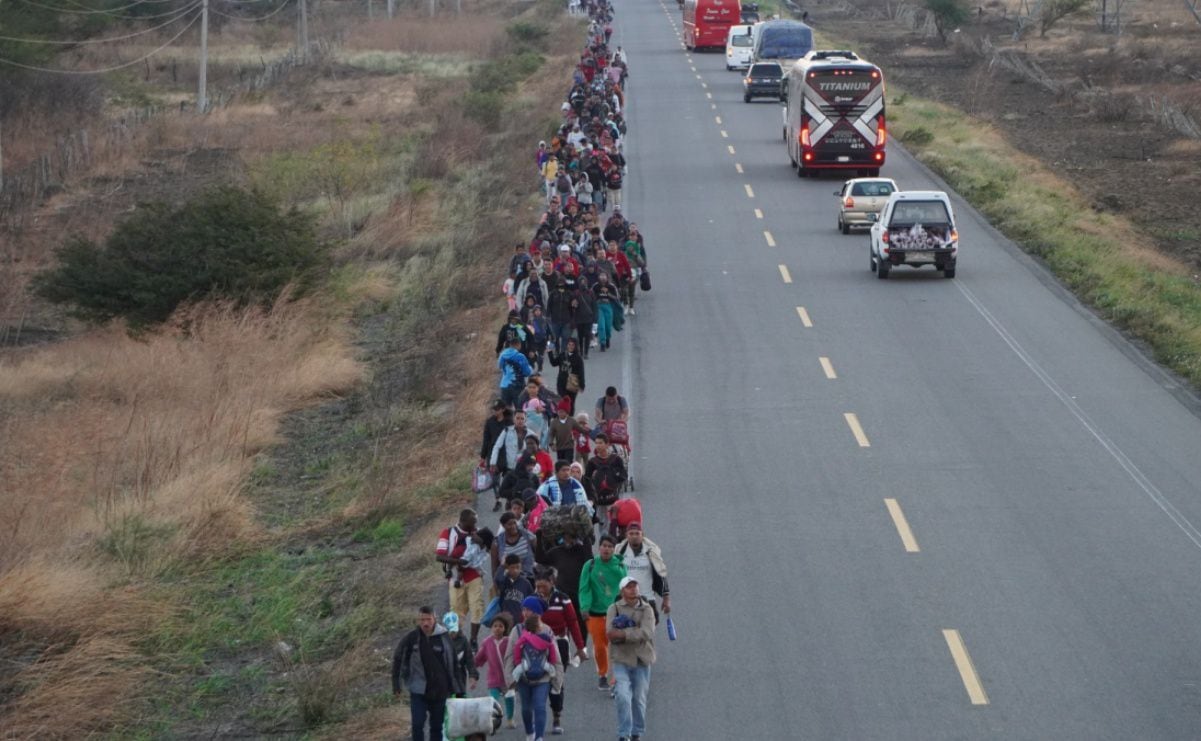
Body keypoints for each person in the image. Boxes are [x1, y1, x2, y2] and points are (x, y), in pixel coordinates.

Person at [392, 606, 463, 741]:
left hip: (440, 691)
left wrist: (459, 689)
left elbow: (454, 663)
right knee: (417, 725)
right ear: (418, 620)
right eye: (422, 619)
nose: (425, 623)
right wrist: (396, 684)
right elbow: (398, 658)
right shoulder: (411, 638)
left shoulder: (444, 637)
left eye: (428, 619)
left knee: (436, 727)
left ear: (434, 619)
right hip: (418, 690)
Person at [533, 569, 587, 735]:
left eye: (544, 586)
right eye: (538, 586)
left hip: (559, 645)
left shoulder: (563, 599)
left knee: (556, 682)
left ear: (552, 583)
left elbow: (573, 623)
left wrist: (580, 647)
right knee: (538, 681)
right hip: (537, 645)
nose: (541, 589)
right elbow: (525, 622)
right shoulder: (532, 599)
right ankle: (538, 717)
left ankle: (557, 716)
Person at [504, 598, 564, 741]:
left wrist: (557, 681)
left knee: (539, 706)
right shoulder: (517, 630)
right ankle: (530, 732)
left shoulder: (547, 631)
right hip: (524, 678)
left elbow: (555, 657)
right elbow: (510, 656)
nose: (525, 613)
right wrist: (510, 679)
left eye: (528, 610)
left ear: (537, 613)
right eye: (523, 609)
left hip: (543, 677)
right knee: (526, 708)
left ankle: (539, 737)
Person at [607, 576, 656, 741]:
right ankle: (624, 733)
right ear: (622, 591)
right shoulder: (614, 608)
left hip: (642, 660)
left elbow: (647, 633)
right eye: (629, 587)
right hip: (621, 659)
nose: (633, 589)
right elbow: (610, 633)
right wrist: (633, 631)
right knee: (622, 696)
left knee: (639, 699)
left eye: (635, 586)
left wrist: (624, 633)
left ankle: (637, 732)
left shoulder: (647, 609)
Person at [578, 534, 626, 691]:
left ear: (614, 549)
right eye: (604, 546)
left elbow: (625, 588)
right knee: (599, 646)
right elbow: (584, 588)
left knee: (615, 645)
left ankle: (616, 677)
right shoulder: (590, 565)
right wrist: (584, 607)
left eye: (610, 546)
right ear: (599, 548)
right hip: (594, 613)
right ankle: (602, 674)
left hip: (615, 613)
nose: (607, 549)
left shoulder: (619, 566)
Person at [534, 528, 594, 653]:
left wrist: (586, 537)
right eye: (566, 536)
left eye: (571, 536)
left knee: (581, 622)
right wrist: (539, 537)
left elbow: (590, 560)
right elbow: (540, 558)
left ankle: (581, 648)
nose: (568, 539)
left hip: (579, 592)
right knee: (562, 623)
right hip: (562, 594)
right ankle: (561, 648)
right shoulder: (557, 552)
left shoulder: (582, 550)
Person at [435, 510, 484, 649]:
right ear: (464, 521)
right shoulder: (449, 533)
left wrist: (481, 542)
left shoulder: (477, 532)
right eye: (473, 521)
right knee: (456, 610)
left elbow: (485, 550)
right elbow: (439, 556)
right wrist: (458, 562)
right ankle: (455, 639)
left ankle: (473, 640)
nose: (475, 523)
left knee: (476, 608)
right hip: (456, 576)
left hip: (474, 575)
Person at [615, 523, 669, 624]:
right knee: (627, 634)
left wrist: (666, 599)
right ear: (627, 535)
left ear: (642, 535)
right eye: (631, 534)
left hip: (647, 600)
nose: (634, 536)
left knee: (646, 635)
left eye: (637, 533)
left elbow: (661, 573)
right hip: (626, 601)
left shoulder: (651, 551)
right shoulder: (619, 552)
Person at [474, 614, 517, 730]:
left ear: (505, 628)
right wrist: (472, 666)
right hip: (493, 678)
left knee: (509, 698)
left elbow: (515, 656)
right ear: (491, 628)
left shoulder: (509, 641)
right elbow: (480, 657)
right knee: (493, 701)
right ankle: (493, 721)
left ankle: (510, 718)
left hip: (508, 679)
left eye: (500, 626)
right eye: (495, 626)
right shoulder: (487, 642)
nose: (497, 628)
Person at [586, 433, 627, 532]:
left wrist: (614, 477)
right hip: (600, 501)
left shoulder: (615, 459)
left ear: (607, 444)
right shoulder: (592, 462)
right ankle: (604, 544)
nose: (598, 446)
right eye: (596, 443)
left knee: (615, 523)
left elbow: (623, 475)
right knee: (603, 525)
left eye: (600, 443)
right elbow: (587, 480)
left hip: (613, 499)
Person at [441, 612, 480, 697]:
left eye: (454, 631)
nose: (452, 634)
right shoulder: (440, 641)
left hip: (459, 680)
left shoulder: (463, 641)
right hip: (443, 681)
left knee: (459, 703)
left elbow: (470, 660)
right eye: (450, 631)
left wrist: (472, 676)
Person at [479, 400, 509, 503]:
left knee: (509, 477)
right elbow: (486, 440)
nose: (495, 412)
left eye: (497, 409)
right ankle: (498, 500)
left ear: (503, 409)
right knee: (494, 479)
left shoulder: (509, 421)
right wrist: (483, 456)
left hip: (507, 453)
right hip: (493, 454)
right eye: (494, 410)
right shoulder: (490, 422)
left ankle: (509, 499)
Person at [492, 511, 537, 577]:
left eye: (514, 523)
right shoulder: (497, 542)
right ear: (503, 526)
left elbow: (538, 552)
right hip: (508, 581)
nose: (513, 526)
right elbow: (494, 567)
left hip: (529, 577)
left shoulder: (526, 535)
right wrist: (496, 584)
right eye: (509, 524)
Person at [496, 553, 535, 626]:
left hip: (520, 621)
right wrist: (502, 566)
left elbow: (531, 600)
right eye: (512, 567)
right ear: (507, 568)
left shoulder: (525, 583)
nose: (515, 570)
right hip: (505, 620)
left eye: (518, 567)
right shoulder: (504, 580)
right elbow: (498, 580)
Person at [549, 339, 586, 415]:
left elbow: (581, 372)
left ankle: (570, 418)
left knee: (571, 402)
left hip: (572, 383)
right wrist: (550, 352)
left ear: (575, 346)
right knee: (562, 400)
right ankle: (562, 416)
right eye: (569, 344)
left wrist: (582, 385)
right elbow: (554, 363)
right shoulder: (562, 355)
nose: (571, 347)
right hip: (561, 382)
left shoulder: (578, 358)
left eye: (573, 345)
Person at [498, 336, 534, 408]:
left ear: (510, 345)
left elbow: (500, 366)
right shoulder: (520, 356)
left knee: (505, 410)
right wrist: (530, 369)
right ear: (518, 345)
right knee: (520, 409)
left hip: (504, 385)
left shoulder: (502, 355)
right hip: (518, 386)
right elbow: (527, 372)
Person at [548, 397, 586, 463]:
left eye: (562, 412)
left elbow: (580, 429)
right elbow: (551, 434)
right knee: (561, 463)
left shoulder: (571, 421)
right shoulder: (554, 422)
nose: (560, 413)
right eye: (559, 412)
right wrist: (551, 444)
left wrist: (588, 431)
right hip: (559, 447)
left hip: (569, 447)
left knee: (568, 463)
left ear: (567, 412)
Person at [592, 271, 620, 352]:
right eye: (601, 276)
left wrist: (608, 293)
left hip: (608, 306)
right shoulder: (595, 286)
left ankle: (607, 338)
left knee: (608, 326)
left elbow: (617, 297)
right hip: (598, 306)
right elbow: (591, 296)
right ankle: (603, 343)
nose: (603, 278)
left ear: (607, 277)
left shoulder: (611, 286)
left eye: (604, 276)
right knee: (601, 325)